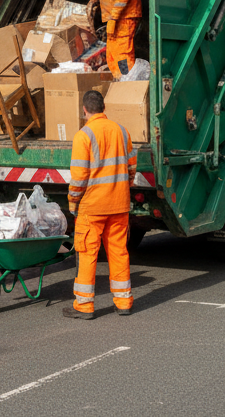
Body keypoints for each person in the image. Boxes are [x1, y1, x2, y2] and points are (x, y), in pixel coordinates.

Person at [63, 89, 137, 319]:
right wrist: (125, 186)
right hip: (119, 203)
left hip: (92, 207)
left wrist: (73, 203)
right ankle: (124, 302)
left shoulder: (83, 136)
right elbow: (131, 166)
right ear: (104, 108)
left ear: (84, 110)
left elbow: (78, 178)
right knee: (118, 252)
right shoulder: (121, 131)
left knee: (87, 254)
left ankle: (84, 306)